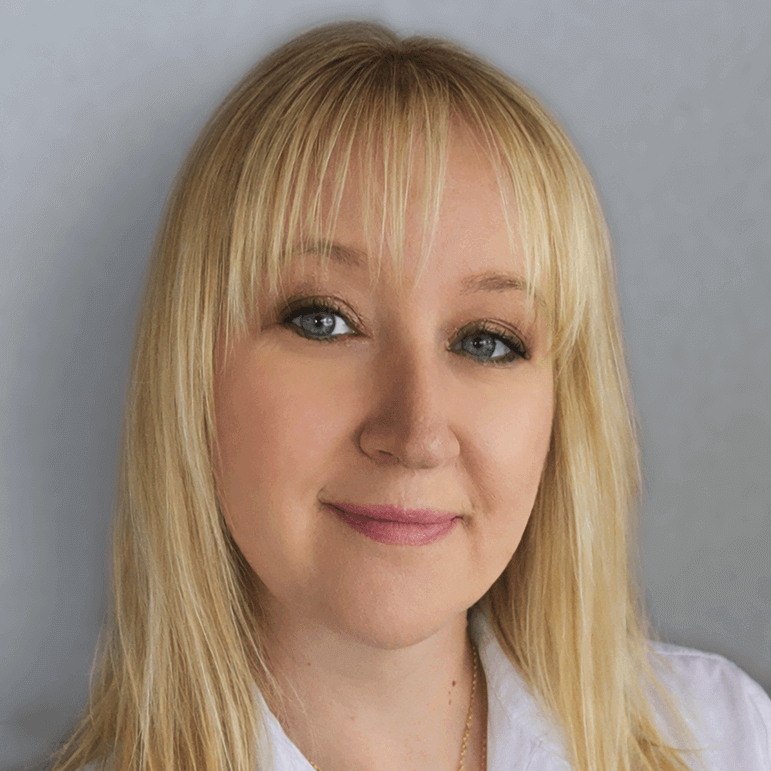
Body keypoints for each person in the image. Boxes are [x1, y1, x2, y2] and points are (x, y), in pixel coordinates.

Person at [48, 20, 770, 771]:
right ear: (192, 370)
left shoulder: (729, 741)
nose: (417, 433)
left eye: (486, 340)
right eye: (324, 322)